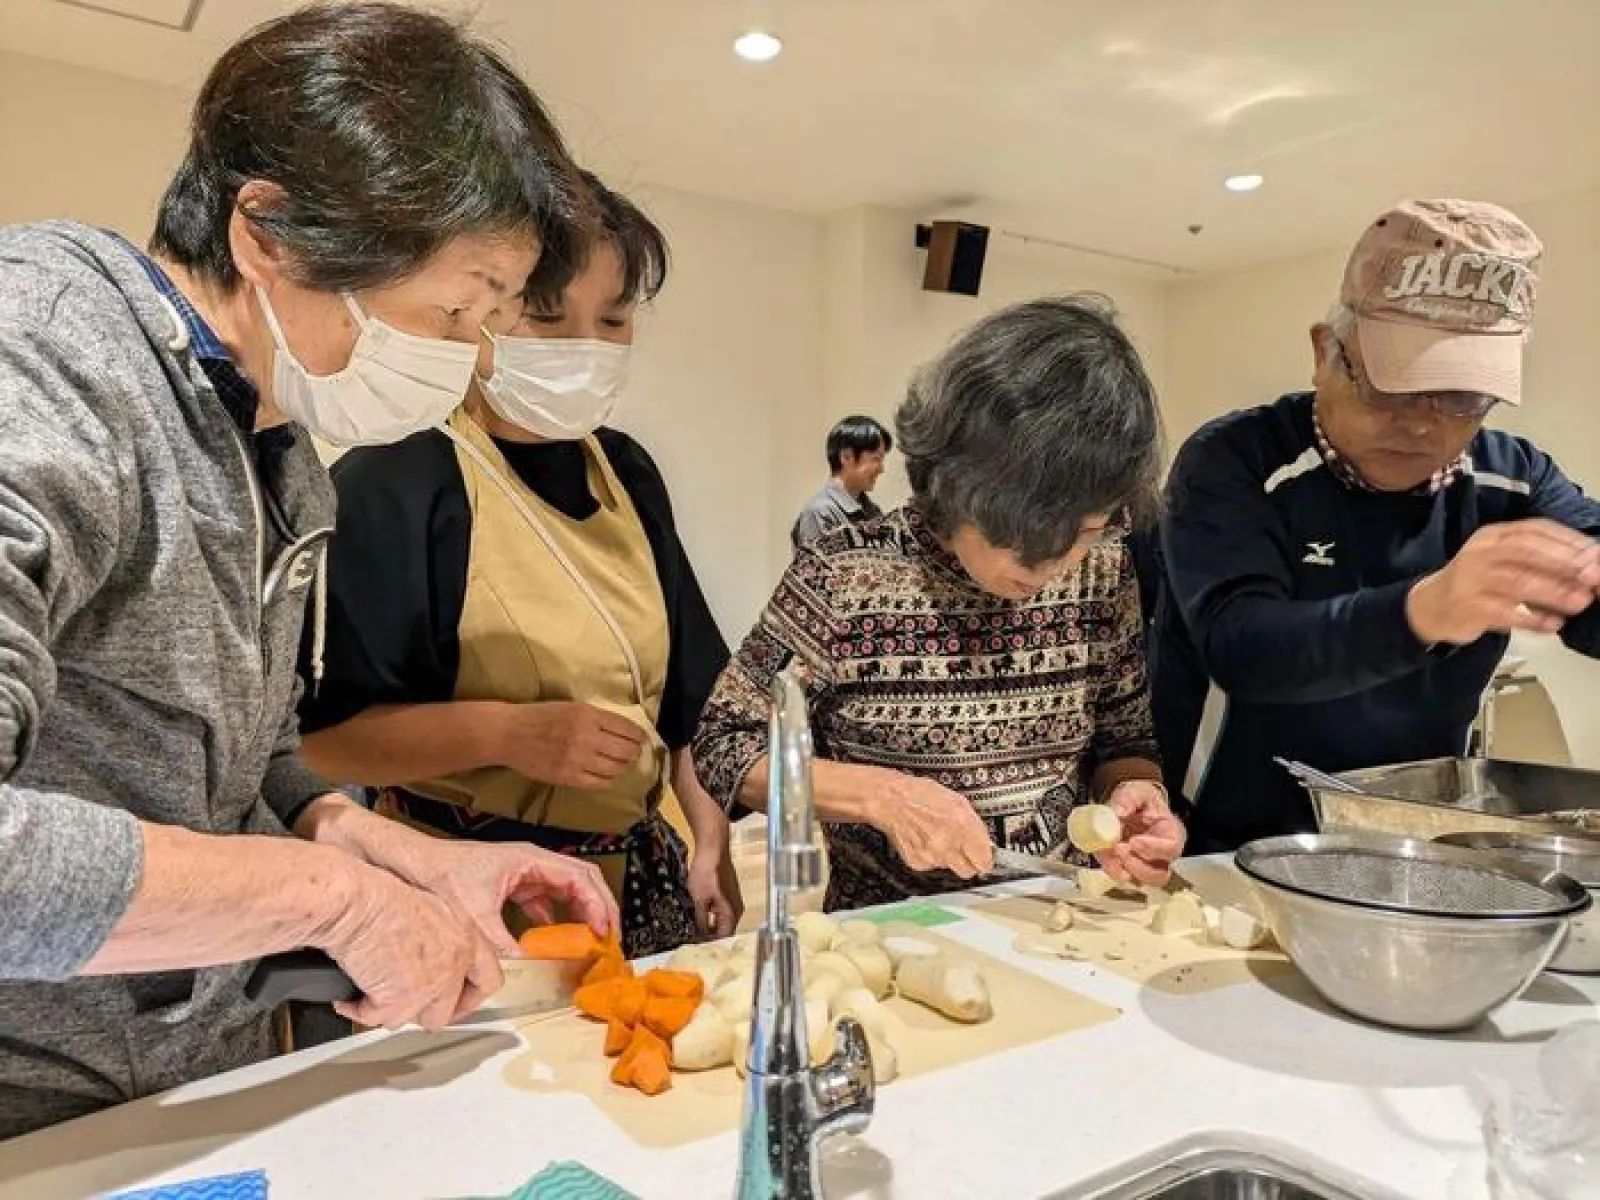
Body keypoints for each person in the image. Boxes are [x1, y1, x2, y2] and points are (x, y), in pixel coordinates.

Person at [0, 3, 619, 1140]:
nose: (465, 355)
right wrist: (333, 899)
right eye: (452, 304)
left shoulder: (280, 455)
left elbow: (245, 771)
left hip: (183, 1085)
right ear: (269, 234)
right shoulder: (41, 359)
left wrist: (401, 858)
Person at [298, 175, 742, 959]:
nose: (587, 347)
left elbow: (688, 707)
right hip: (474, 901)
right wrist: (507, 734)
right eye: (547, 317)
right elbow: (323, 743)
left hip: (635, 884)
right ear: (477, 317)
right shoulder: (401, 479)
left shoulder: (627, 472)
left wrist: (709, 836)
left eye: (613, 318)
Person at [695, 296, 1186, 911]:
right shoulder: (845, 573)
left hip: (1064, 920)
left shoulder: (1104, 566)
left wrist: (1138, 794)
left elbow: (1123, 738)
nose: (1050, 568)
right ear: (953, 486)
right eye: (1019, 538)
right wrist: (880, 795)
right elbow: (724, 744)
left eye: (1083, 532)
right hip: (896, 934)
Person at [1151, 199, 1600, 852]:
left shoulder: (1514, 480)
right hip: (1226, 842)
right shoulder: (1238, 462)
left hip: (1410, 845)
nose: (1422, 423)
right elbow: (1241, 646)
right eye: (1394, 386)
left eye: (1462, 397)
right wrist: (1422, 611)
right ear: (1325, 352)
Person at [791, 415, 894, 549]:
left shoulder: (873, 511)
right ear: (846, 457)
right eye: (876, 459)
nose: (881, 469)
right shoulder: (819, 513)